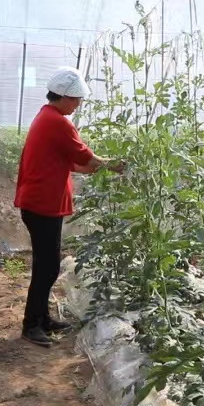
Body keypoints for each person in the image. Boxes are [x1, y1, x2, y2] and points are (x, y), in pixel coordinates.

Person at [14, 67, 125, 347]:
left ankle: (42, 318)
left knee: (46, 263)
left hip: (40, 202)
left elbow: (73, 162)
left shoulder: (46, 117)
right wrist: (114, 165)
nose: (78, 104)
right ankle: (31, 324)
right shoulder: (57, 122)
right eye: (76, 99)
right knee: (48, 267)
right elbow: (87, 157)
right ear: (63, 96)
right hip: (43, 204)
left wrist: (96, 167)